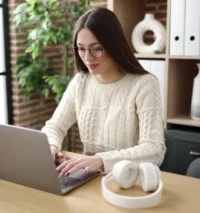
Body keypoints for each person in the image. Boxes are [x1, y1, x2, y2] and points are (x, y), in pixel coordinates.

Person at [41, 7, 166, 176]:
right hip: (87, 178)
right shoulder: (81, 82)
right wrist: (51, 146)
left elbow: (154, 149)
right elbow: (55, 126)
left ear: (114, 45)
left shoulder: (144, 85)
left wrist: (100, 160)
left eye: (96, 48)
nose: (87, 57)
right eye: (81, 48)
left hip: (128, 180)